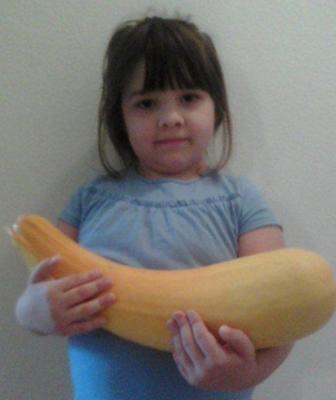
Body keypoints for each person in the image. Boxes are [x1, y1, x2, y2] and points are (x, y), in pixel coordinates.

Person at [15, 15, 293, 400]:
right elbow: (45, 282)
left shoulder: (240, 202)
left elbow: (283, 307)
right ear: (120, 117)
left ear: (217, 108)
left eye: (189, 98)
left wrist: (247, 372)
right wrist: (33, 313)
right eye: (147, 103)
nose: (171, 118)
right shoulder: (91, 200)